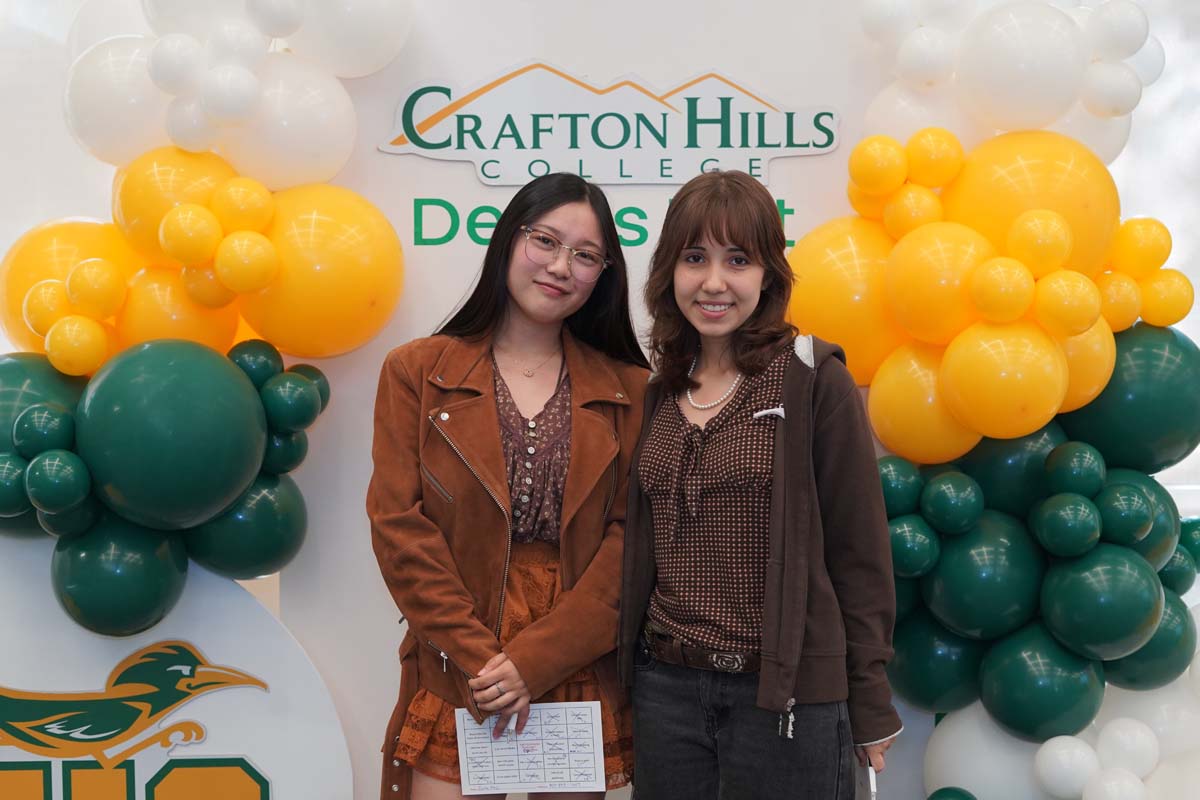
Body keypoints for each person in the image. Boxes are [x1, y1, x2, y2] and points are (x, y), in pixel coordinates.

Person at [617, 170, 901, 800]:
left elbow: (860, 557)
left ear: (769, 274)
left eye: (737, 260)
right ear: (669, 272)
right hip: (665, 690)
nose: (714, 282)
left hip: (785, 699)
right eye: (695, 258)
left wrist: (872, 702)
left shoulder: (811, 380)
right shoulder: (659, 392)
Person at [368, 173, 649, 800]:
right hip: (456, 663)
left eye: (585, 255)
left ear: (604, 273)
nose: (560, 266)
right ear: (507, 242)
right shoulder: (416, 371)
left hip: (574, 660)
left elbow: (630, 544)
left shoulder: (632, 388)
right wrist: (483, 662)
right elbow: (398, 528)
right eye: (545, 241)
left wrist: (535, 661)